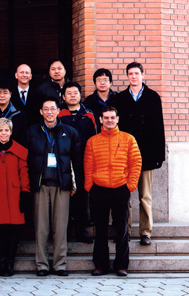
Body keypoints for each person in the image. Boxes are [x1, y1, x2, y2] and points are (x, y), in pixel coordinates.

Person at [24, 97, 83, 277]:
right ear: (41, 112)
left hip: (61, 185)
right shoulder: (31, 132)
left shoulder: (70, 132)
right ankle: (41, 265)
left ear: (58, 111)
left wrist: (74, 182)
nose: (49, 112)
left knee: (60, 227)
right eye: (46, 109)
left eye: (52, 109)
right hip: (40, 185)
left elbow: (77, 160)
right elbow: (25, 161)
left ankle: (60, 265)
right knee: (41, 227)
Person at [113, 62, 165, 246]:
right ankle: (124, 229)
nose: (133, 77)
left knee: (145, 195)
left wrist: (159, 155)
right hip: (124, 155)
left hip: (147, 154)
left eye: (136, 73)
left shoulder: (152, 97)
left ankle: (145, 232)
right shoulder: (119, 98)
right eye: (130, 74)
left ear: (143, 75)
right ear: (127, 76)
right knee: (123, 196)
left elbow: (159, 128)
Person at [85, 106, 142, 277]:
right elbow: (88, 165)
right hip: (99, 189)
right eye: (106, 118)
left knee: (122, 229)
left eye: (112, 117)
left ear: (117, 119)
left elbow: (136, 163)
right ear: (100, 120)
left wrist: (130, 185)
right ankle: (101, 265)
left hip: (120, 188)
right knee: (100, 230)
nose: (109, 120)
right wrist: (89, 186)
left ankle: (121, 265)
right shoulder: (93, 141)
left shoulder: (128, 139)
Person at [0, 118, 30, 277]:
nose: (4, 133)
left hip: (15, 195)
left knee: (13, 231)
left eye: (6, 130)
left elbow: (24, 173)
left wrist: (25, 193)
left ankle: (10, 264)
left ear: (11, 132)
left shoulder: (20, 150)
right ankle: (2, 263)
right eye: (1, 130)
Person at [57, 81, 97, 244]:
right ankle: (64, 232)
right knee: (64, 198)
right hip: (63, 161)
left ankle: (81, 231)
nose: (72, 96)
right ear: (63, 96)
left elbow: (95, 138)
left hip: (83, 161)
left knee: (82, 197)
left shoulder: (89, 115)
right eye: (69, 93)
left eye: (75, 93)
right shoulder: (59, 115)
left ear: (80, 96)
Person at [83, 68, 117, 133]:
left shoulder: (119, 99)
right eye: (99, 80)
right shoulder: (88, 102)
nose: (102, 83)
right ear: (95, 83)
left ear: (110, 83)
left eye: (105, 80)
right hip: (96, 136)